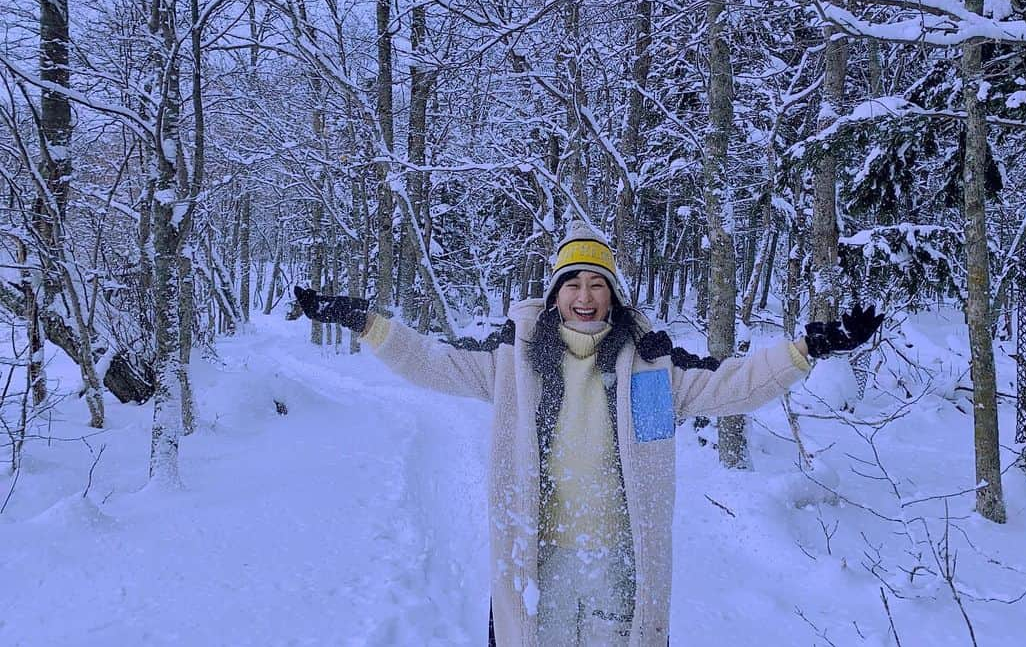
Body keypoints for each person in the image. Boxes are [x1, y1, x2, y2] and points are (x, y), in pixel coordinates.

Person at [293, 222, 882, 646]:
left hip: (621, 565)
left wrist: (810, 349)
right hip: (537, 561)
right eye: (571, 284)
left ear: (613, 295)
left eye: (596, 284)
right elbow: (432, 362)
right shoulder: (513, 363)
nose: (583, 296)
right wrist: (365, 323)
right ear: (555, 296)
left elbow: (734, 385)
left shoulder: (650, 366)